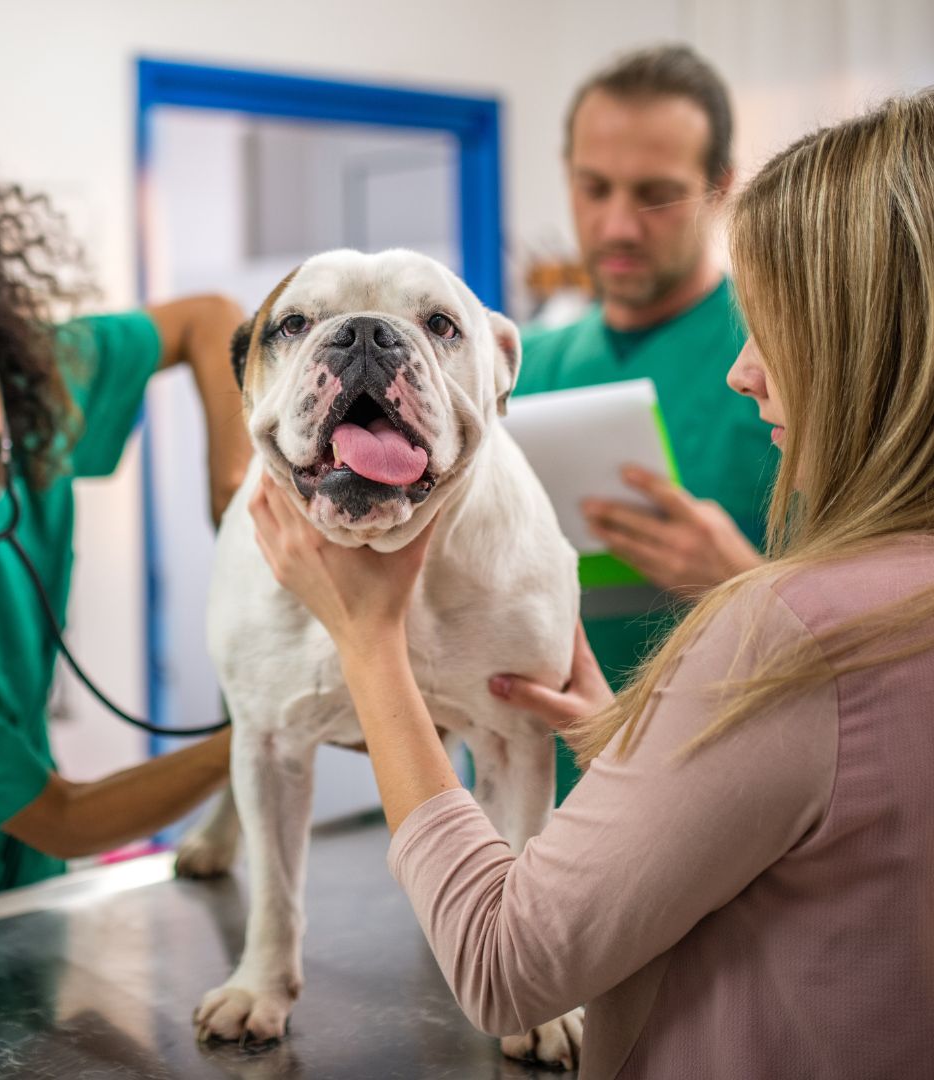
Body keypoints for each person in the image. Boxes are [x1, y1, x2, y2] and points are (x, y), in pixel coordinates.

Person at [249, 90, 934, 1077]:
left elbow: (504, 967)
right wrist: (620, 731)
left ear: (881, 351)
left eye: (781, 327)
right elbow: (816, 801)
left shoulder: (789, 629)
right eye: (593, 186)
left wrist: (369, 643)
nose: (745, 374)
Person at [0, 143, 245, 926]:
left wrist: (232, 491)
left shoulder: (26, 393)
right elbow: (62, 814)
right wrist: (281, 724)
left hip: (30, 898)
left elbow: (209, 320)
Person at [515, 44, 774, 799]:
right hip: (520, 810)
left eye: (656, 195)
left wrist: (741, 588)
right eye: (594, 188)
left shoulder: (789, 365)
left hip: (721, 813)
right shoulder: (514, 367)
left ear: (720, 186)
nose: (618, 225)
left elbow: (886, 636)